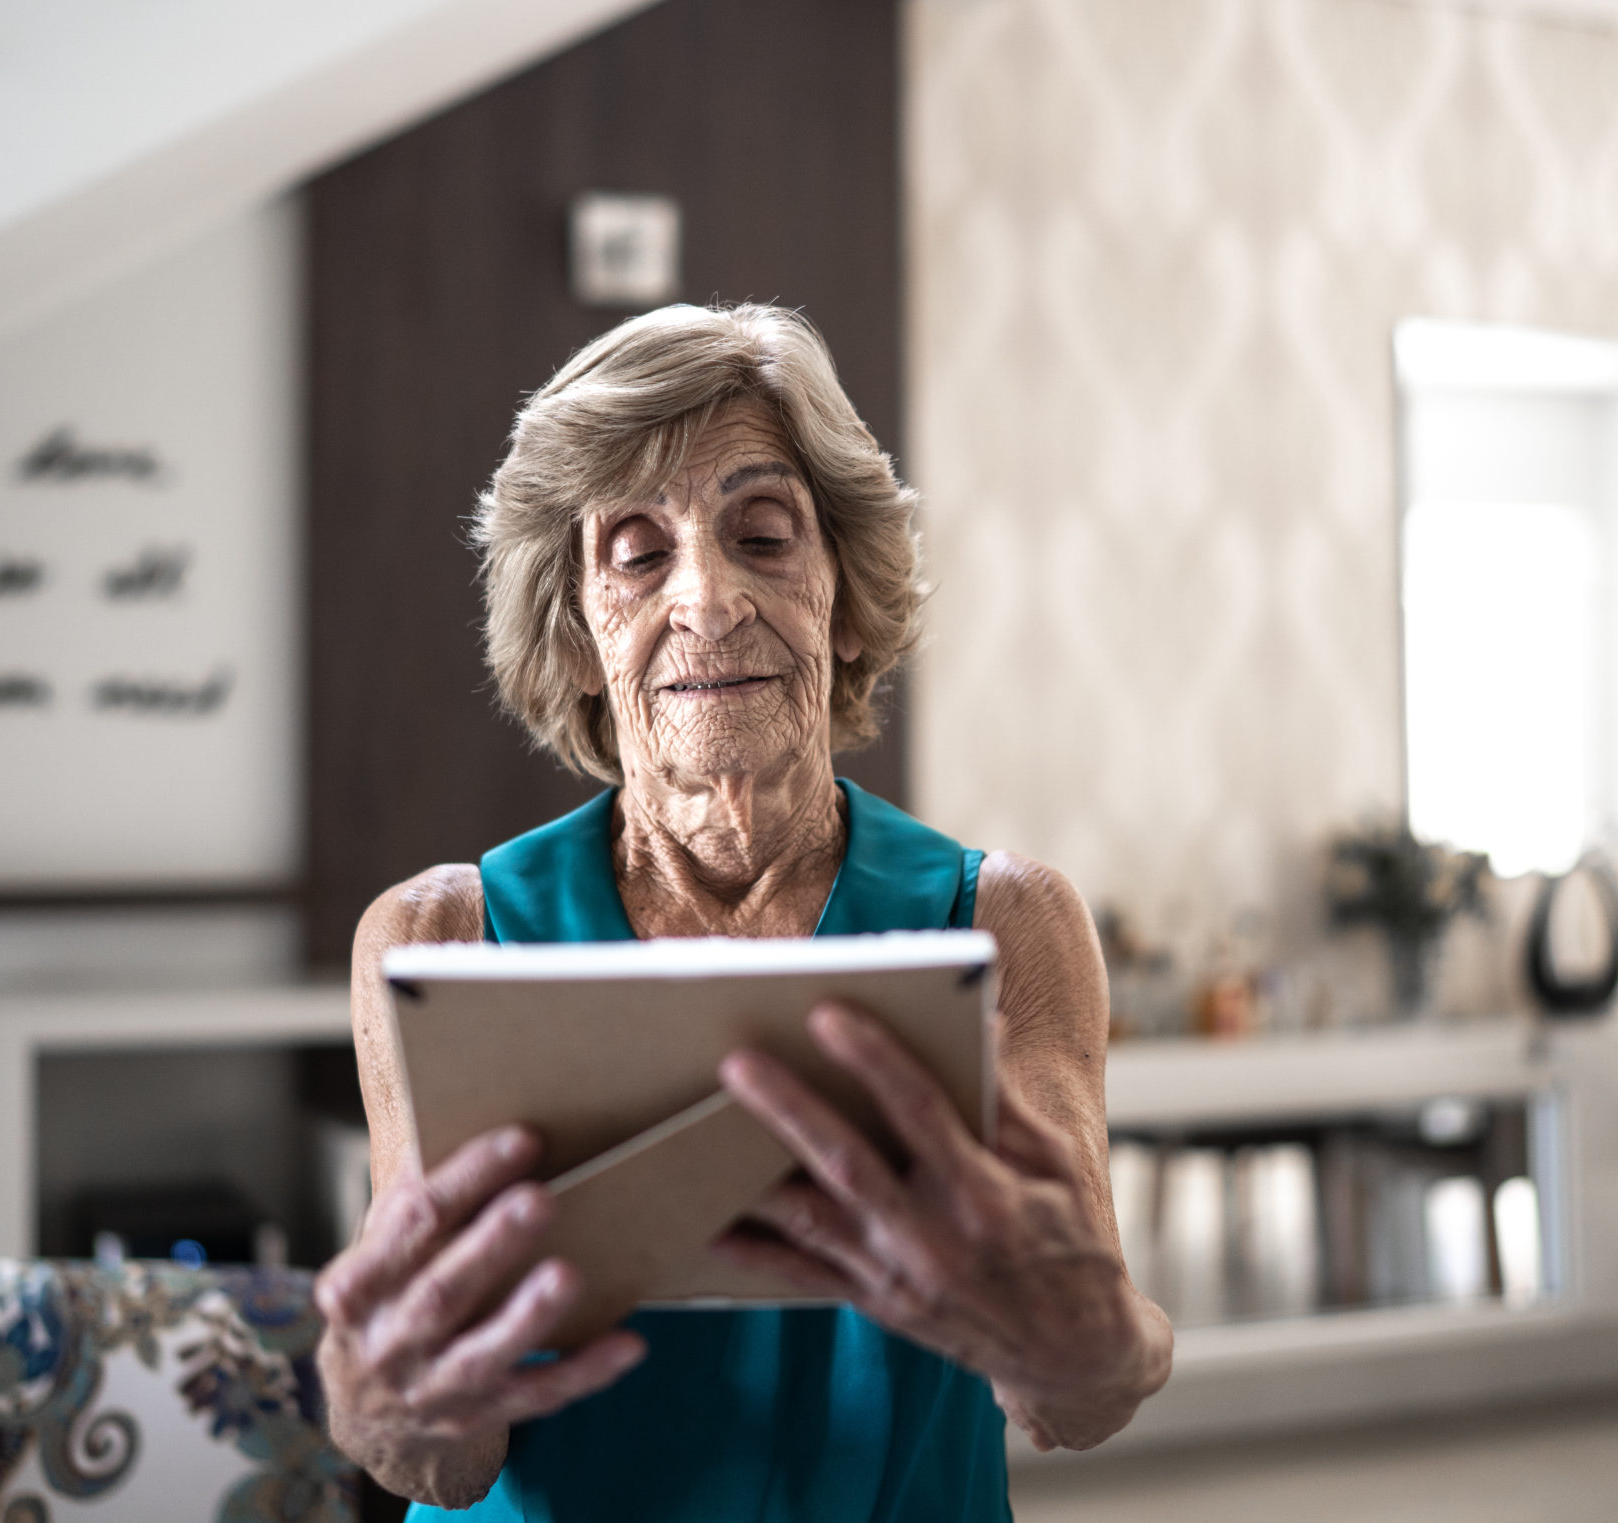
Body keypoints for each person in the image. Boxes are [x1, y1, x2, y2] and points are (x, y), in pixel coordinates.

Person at [315, 304, 1171, 1519]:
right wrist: (376, 1402)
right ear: (573, 632)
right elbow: (442, 1461)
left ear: (844, 591)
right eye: (636, 553)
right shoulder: (437, 938)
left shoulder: (1001, 925)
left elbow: (1076, 1397)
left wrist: (1099, 1347)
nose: (708, 600)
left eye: (762, 535)